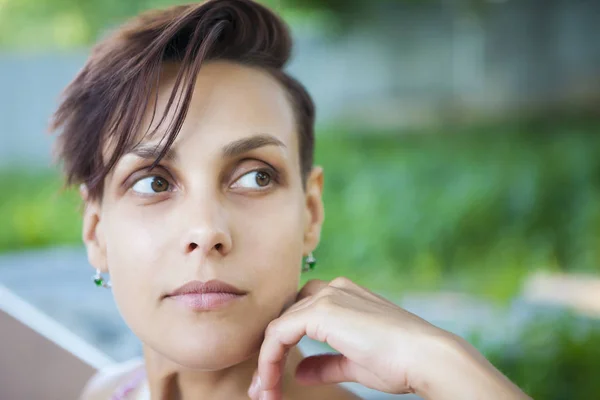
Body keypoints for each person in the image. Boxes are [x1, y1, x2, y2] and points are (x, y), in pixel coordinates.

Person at [50, 0, 532, 399]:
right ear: (96, 231)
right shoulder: (110, 391)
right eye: (154, 182)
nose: (206, 230)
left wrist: (443, 362)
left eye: (256, 177)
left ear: (310, 212)